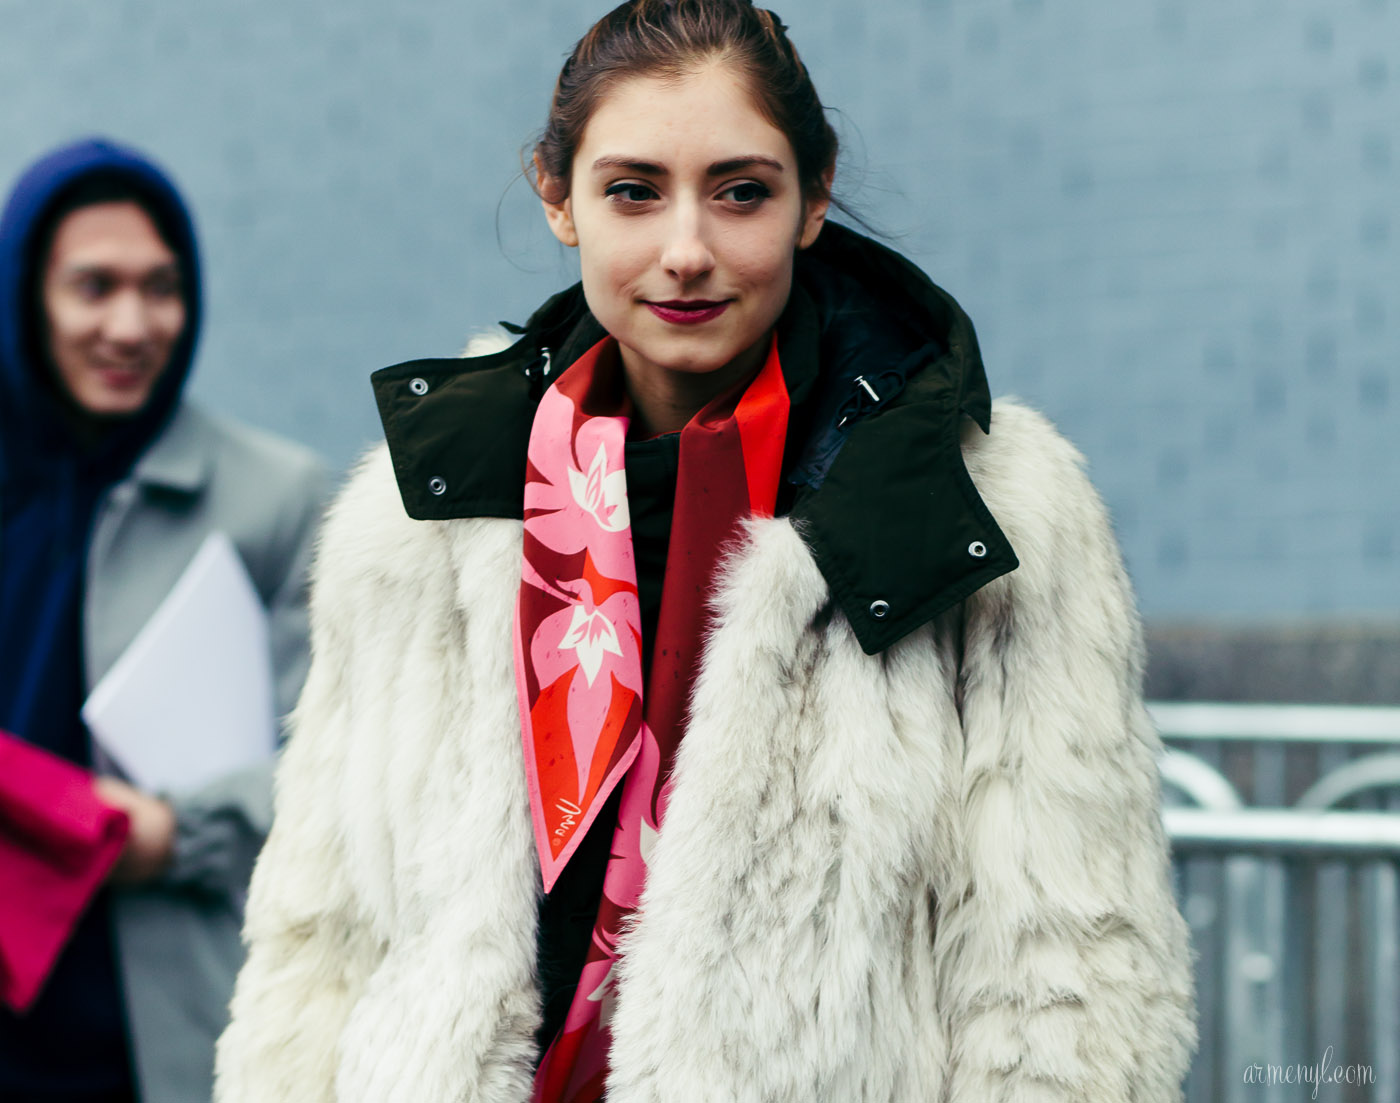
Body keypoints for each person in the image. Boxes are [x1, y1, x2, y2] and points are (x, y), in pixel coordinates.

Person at [216, 2, 1196, 1099]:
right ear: (558, 199)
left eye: (740, 192)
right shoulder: (421, 518)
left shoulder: (987, 506)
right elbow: (322, 937)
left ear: (812, 199)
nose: (685, 251)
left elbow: (1067, 965)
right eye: (632, 191)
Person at [0, 138, 327, 1103]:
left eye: (162, 287)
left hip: (159, 1026)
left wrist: (177, 835)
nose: (132, 324)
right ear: (27, 298)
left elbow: (333, 777)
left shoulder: (275, 496)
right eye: (93, 287)